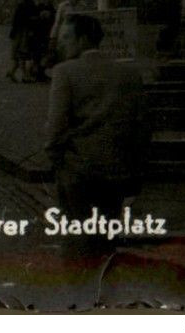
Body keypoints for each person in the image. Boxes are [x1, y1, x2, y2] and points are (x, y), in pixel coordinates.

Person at [45, 13, 150, 227]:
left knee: (79, 235)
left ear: (83, 39)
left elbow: (56, 125)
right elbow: (141, 124)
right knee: (108, 229)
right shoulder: (129, 73)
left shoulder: (64, 72)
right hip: (117, 168)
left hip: (78, 170)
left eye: (67, 38)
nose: (63, 44)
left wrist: (55, 156)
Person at [9, 0, 39, 82]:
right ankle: (25, 75)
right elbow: (31, 19)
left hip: (18, 32)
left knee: (19, 53)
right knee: (23, 53)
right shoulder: (30, 5)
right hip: (25, 32)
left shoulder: (21, 4)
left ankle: (13, 72)